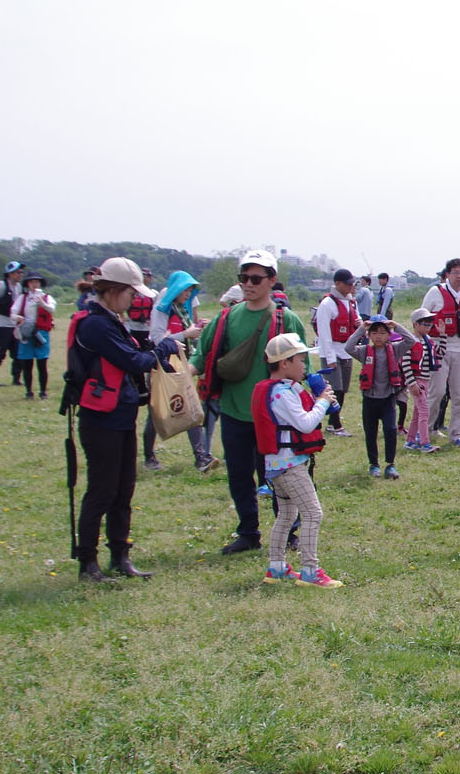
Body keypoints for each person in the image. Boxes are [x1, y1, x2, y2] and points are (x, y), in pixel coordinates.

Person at [65, 257, 181, 582]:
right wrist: (164, 349)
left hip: (119, 417)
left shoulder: (110, 320)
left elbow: (134, 352)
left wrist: (157, 350)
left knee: (123, 491)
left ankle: (120, 557)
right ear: (114, 290)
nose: (135, 299)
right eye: (131, 292)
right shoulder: (96, 324)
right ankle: (88, 563)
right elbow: (133, 361)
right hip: (101, 422)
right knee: (102, 491)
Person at [191, 250, 309, 555]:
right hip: (233, 412)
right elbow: (202, 355)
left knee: (280, 477)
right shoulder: (226, 317)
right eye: (243, 278)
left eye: (256, 278)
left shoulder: (287, 319)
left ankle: (289, 533)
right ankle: (248, 532)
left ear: (271, 281)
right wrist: (180, 378)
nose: (248, 284)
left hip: (274, 418)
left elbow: (300, 366)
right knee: (239, 476)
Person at [251, 333, 344, 588]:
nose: (304, 366)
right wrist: (323, 402)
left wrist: (318, 402)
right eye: (300, 361)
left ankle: (277, 567)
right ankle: (310, 570)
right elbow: (305, 424)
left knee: (286, 514)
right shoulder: (282, 393)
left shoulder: (274, 390)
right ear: (284, 364)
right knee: (313, 513)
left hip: (276, 465)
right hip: (290, 465)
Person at [147, 270, 213, 471]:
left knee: (190, 406)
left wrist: (198, 330)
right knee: (157, 412)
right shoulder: (161, 309)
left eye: (191, 289)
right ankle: (149, 456)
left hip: (181, 363)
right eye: (186, 289)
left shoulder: (181, 309)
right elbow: (157, 338)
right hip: (162, 364)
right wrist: (186, 333)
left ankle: (200, 457)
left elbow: (186, 334)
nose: (189, 293)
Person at [344, 315, 417, 478]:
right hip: (370, 400)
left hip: (388, 399)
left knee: (390, 430)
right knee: (371, 433)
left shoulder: (395, 349)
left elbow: (411, 341)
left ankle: (390, 464)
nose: (378, 336)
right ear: (369, 336)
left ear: (389, 335)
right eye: (374, 333)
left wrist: (396, 325)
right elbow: (348, 348)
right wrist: (361, 329)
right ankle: (374, 464)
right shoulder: (364, 351)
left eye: (383, 332)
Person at [420, 258, 460, 447]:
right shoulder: (435, 292)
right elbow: (421, 317)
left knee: (459, 394)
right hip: (438, 345)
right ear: (447, 274)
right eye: (456, 272)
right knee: (437, 392)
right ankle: (428, 428)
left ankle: (456, 433)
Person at [315, 269, 361, 437]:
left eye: (352, 283)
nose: (351, 287)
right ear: (338, 284)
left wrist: (359, 324)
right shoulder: (327, 304)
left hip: (346, 351)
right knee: (335, 389)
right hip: (332, 350)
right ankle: (336, 425)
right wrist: (329, 357)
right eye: (348, 284)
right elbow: (324, 333)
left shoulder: (350, 303)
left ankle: (332, 423)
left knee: (343, 389)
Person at [404, 309, 444, 454]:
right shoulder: (410, 341)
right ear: (415, 324)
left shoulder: (428, 341)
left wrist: (443, 334)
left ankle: (410, 440)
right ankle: (424, 443)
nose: (428, 327)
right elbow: (406, 363)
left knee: (417, 412)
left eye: (430, 324)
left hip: (425, 379)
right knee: (424, 411)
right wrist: (412, 382)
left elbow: (440, 353)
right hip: (417, 380)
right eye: (425, 324)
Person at [12, 273, 57, 400]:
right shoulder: (23, 298)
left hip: (41, 332)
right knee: (27, 363)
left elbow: (52, 309)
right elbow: (13, 313)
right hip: (27, 331)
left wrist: (42, 303)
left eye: (37, 282)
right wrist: (18, 318)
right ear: (27, 284)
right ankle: (28, 391)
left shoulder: (47, 298)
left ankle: (43, 391)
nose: (34, 284)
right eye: (31, 282)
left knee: (42, 363)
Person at [0, 260, 27, 385]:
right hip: (2, 325)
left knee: (18, 354)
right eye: (17, 272)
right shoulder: (1, 286)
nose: (20, 275)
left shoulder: (19, 287)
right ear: (10, 274)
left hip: (15, 325)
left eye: (21, 272)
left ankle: (16, 378)